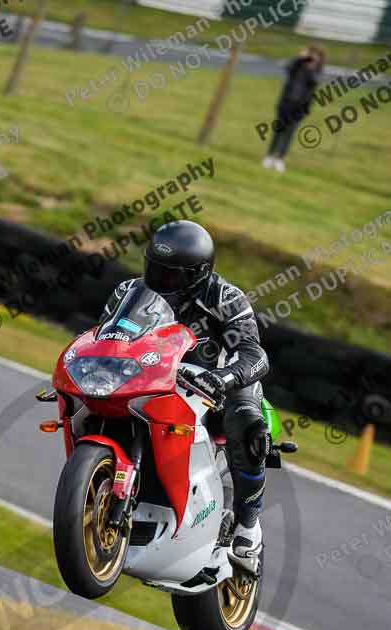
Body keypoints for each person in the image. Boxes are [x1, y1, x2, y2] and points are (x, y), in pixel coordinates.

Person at [99, 220, 269, 574]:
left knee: (248, 423)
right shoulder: (128, 292)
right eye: (155, 270)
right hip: (157, 380)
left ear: (199, 274)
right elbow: (105, 340)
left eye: (172, 276)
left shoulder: (225, 300)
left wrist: (223, 378)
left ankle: (248, 530)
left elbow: (255, 356)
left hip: (216, 387)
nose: (161, 282)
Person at [263, 46, 325, 173]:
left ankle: (280, 158)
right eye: (311, 54)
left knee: (289, 133)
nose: (313, 58)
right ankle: (269, 155)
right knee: (279, 130)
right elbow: (288, 67)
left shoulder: (316, 73)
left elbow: (313, 86)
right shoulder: (297, 66)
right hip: (286, 103)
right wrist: (300, 58)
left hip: (299, 108)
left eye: (316, 56)